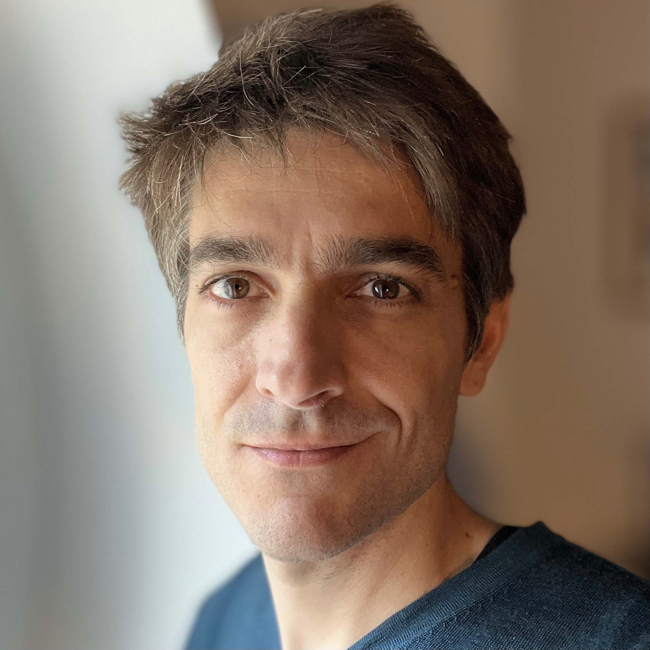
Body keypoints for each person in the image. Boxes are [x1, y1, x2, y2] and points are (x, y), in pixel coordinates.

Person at [119, 4, 649, 649]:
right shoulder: (224, 621)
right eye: (235, 286)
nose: (296, 379)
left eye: (382, 288)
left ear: (482, 339)